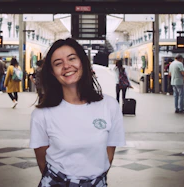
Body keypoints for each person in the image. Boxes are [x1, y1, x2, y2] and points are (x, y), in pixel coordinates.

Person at [30, 38, 125, 186]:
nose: (66, 66)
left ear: (83, 62)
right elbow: (42, 161)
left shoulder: (109, 106)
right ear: (52, 73)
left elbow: (108, 155)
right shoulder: (41, 114)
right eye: (58, 63)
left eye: (72, 59)